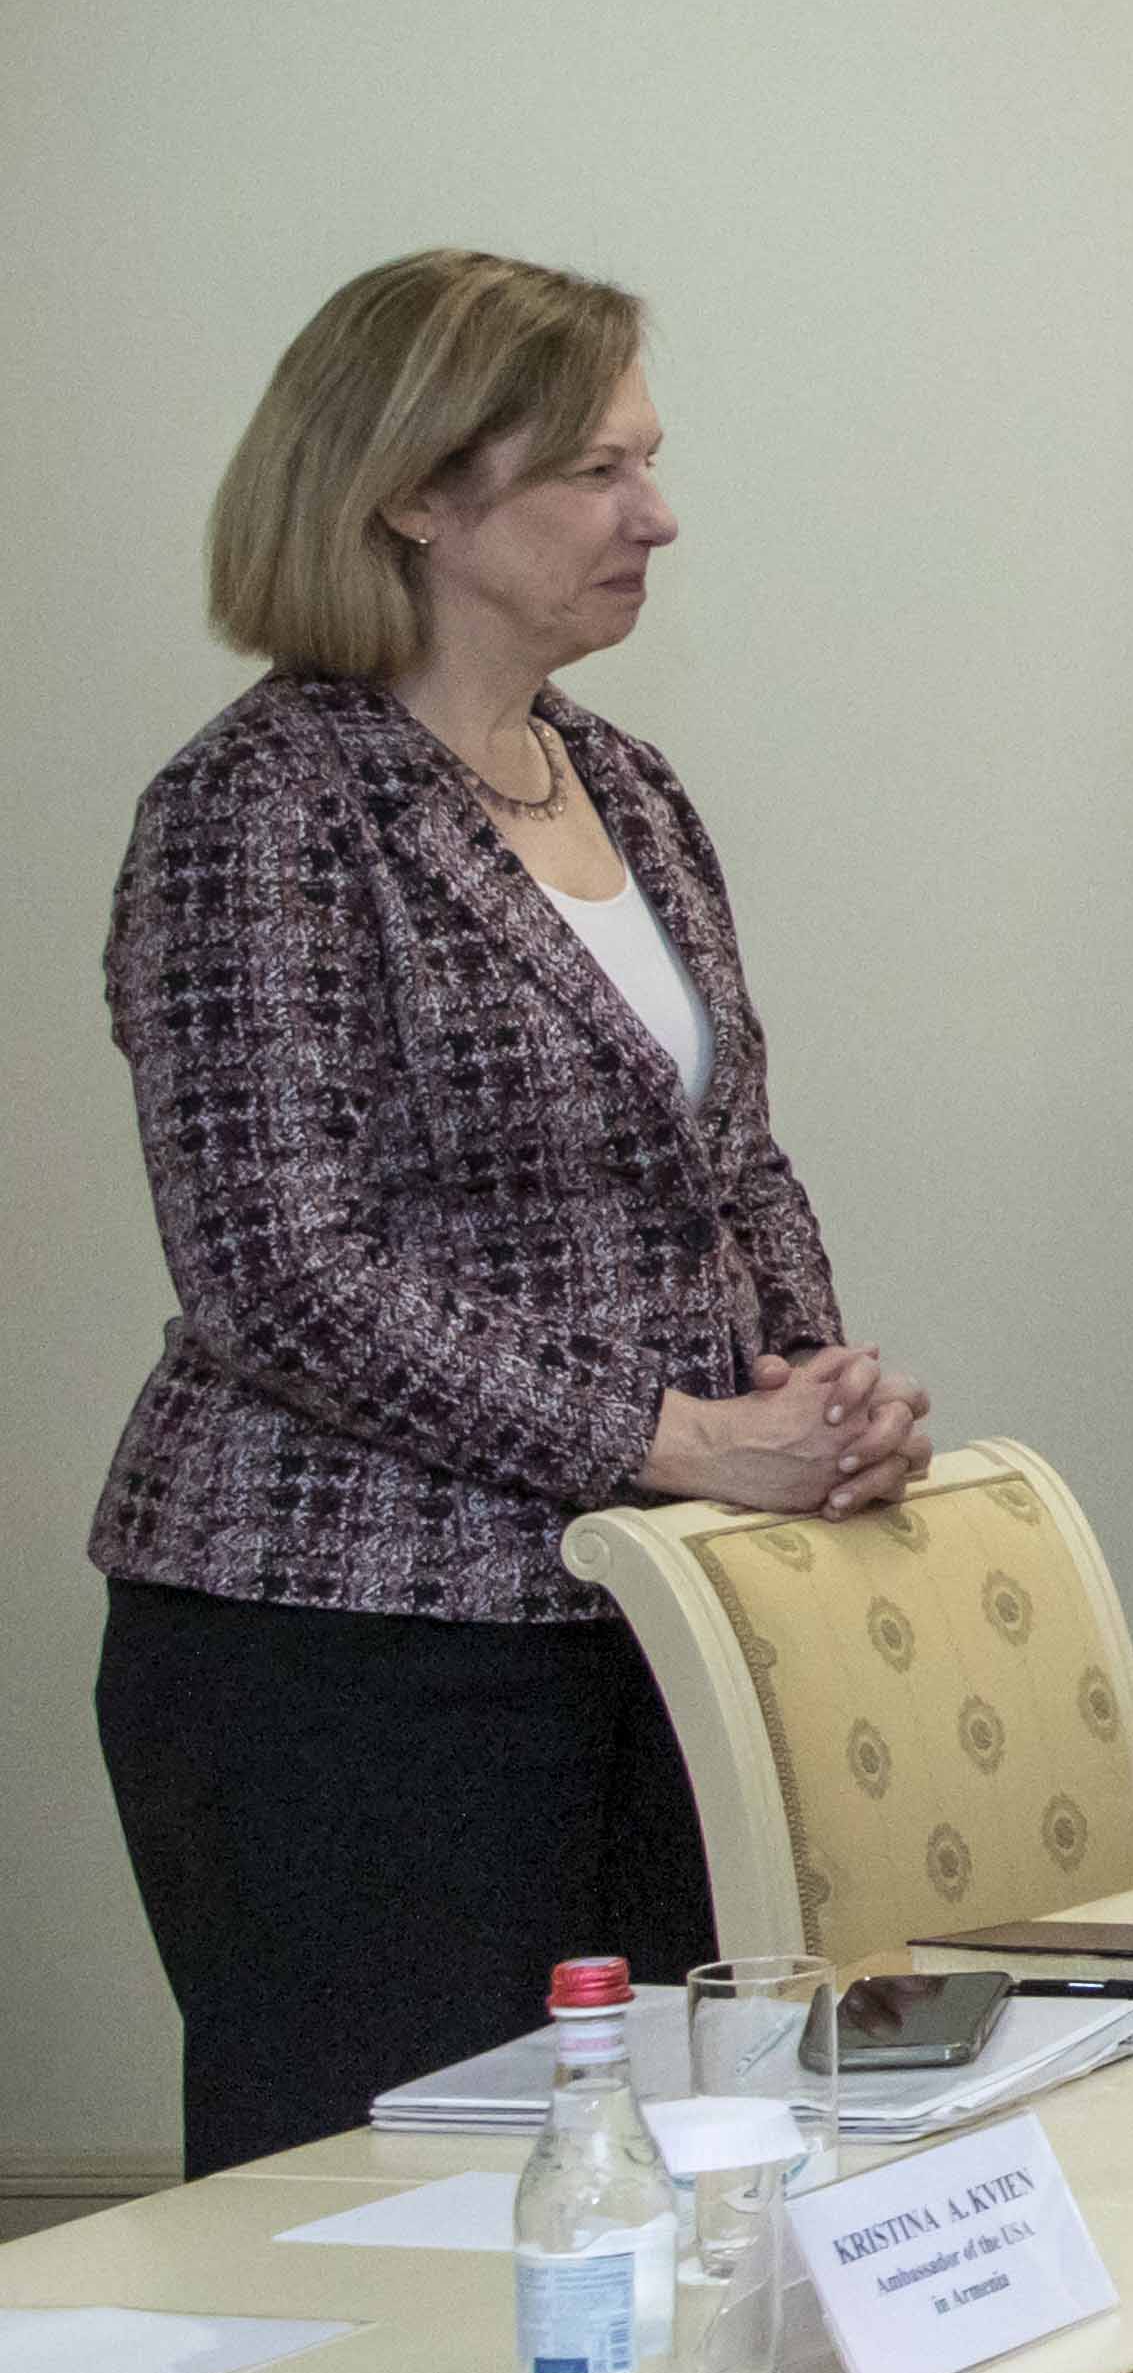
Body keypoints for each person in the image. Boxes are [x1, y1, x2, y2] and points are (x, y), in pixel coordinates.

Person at [97, 251, 928, 2173]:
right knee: (395, 2216)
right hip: (348, 1653)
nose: (657, 514)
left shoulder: (621, 780)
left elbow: (729, 1160)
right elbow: (281, 1274)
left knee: (671, 2184)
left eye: (649, 460)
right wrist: (678, 1439)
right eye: (595, 471)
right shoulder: (260, 807)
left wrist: (811, 1393)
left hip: (653, 1622)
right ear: (413, 493)